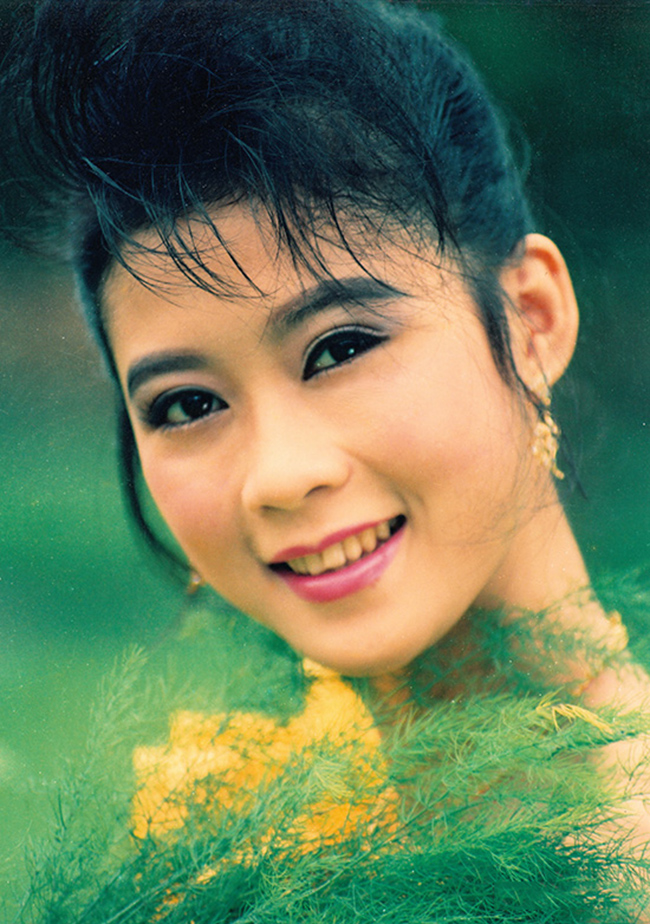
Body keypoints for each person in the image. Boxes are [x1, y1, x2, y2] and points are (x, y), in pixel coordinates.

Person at [3, 0, 650, 920]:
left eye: (340, 348)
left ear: (530, 320)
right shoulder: (213, 848)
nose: (279, 475)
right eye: (188, 405)